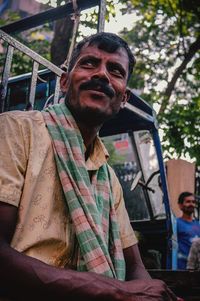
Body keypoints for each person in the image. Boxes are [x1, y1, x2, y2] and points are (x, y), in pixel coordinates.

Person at [0, 32, 177, 301]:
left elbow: (135, 266)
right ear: (64, 80)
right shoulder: (16, 131)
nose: (102, 75)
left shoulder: (109, 178)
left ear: (123, 98)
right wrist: (117, 291)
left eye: (115, 70)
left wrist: (146, 293)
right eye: (89, 64)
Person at [177, 191, 200, 269]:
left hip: (196, 267)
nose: (191, 204)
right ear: (180, 205)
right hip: (182, 267)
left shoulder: (198, 224)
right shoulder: (176, 223)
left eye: (193, 202)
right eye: (188, 202)